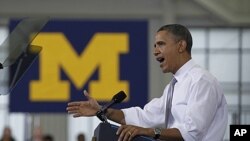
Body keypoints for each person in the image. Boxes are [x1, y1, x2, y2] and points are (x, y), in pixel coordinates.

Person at [67, 24, 228, 141]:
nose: (155, 51)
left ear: (181, 46)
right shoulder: (174, 86)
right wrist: (102, 111)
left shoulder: (201, 81)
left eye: (161, 44)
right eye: (154, 45)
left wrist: (150, 131)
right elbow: (144, 117)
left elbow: (192, 133)